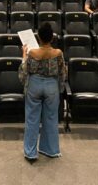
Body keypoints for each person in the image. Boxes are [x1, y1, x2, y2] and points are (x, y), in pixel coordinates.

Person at [19, 22, 66, 162]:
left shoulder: (32, 53)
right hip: (52, 87)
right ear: (52, 38)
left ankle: (30, 153)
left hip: (35, 85)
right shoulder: (58, 53)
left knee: (32, 119)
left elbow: (24, 71)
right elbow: (63, 73)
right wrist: (60, 88)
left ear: (38, 37)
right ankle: (50, 150)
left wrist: (23, 54)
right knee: (51, 118)